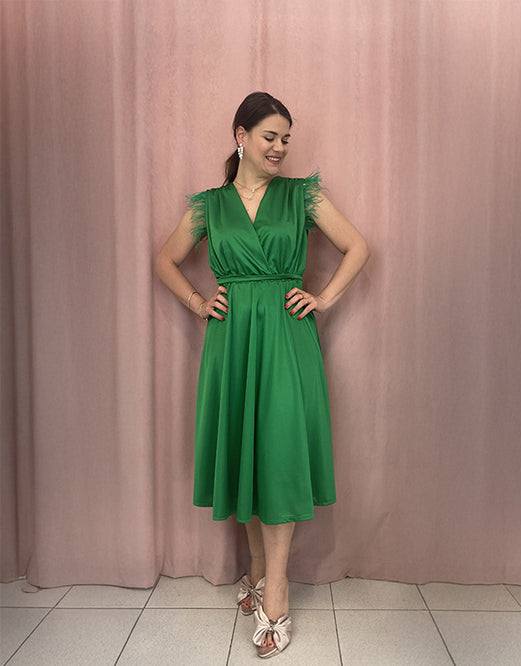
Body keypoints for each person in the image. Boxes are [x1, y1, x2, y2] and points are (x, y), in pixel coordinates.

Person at [155, 91, 370, 659]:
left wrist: (322, 297)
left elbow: (357, 247)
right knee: (245, 453)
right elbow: (164, 260)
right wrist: (198, 302)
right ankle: (255, 569)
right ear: (241, 136)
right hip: (231, 343)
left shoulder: (303, 195)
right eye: (270, 136)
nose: (279, 148)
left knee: (277, 453)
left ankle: (277, 588)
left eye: (286, 139)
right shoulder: (208, 205)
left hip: (286, 338)